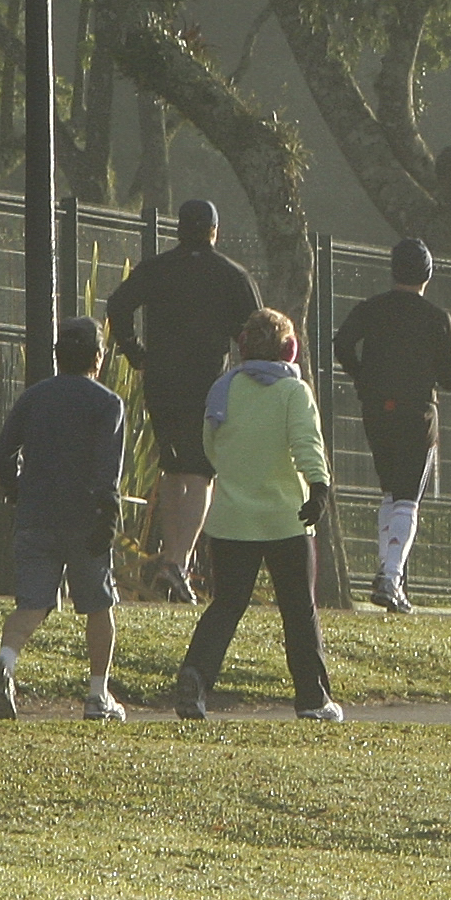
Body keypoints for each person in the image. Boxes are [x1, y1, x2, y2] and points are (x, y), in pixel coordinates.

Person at [175, 308, 343, 723]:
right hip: (287, 519)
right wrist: (318, 489)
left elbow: (210, 446)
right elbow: (307, 444)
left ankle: (196, 675)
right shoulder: (294, 392)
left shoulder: (223, 389)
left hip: (231, 520)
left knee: (227, 605)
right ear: (291, 349)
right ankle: (312, 699)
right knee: (298, 610)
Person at [104, 199, 264, 603]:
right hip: (208, 384)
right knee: (201, 472)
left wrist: (135, 351)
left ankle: (172, 561)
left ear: (178, 229)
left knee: (173, 469)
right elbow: (258, 330)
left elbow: (118, 304)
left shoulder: (157, 269)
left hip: (160, 380)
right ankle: (179, 562)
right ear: (214, 230)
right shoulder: (232, 275)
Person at [0, 315, 129, 721]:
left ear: (57, 356)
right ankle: (98, 695)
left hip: (35, 515)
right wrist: (108, 513)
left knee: (32, 603)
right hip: (84, 519)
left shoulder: (34, 397)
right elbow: (107, 469)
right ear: (98, 358)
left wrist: (16, 490)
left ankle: (6, 660)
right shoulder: (107, 403)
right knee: (99, 606)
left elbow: (2, 454)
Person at [329, 236, 451, 614]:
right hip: (417, 412)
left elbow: (342, 344)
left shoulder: (372, 309)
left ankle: (386, 572)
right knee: (408, 496)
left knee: (389, 491)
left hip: (376, 409)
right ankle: (391, 577)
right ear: (428, 274)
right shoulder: (437, 318)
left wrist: (362, 376)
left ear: (393, 271)